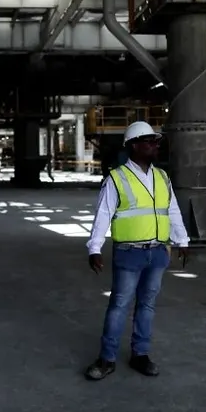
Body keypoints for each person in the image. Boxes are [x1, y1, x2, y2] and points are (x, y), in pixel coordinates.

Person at [83, 121, 190, 381]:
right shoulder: (117, 178)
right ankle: (106, 358)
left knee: (147, 305)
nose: (155, 145)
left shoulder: (162, 177)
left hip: (157, 253)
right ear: (133, 145)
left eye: (156, 141)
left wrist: (182, 241)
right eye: (149, 141)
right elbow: (103, 214)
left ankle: (140, 354)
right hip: (129, 253)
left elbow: (171, 210)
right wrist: (94, 248)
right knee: (119, 305)